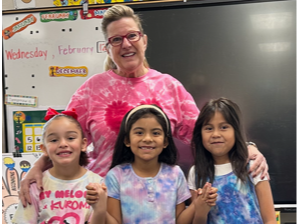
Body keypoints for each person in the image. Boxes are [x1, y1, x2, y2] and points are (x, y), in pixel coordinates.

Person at [19, 4, 268, 206]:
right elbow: (65, 138)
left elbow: (205, 133)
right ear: (107, 48)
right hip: (101, 204)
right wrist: (39, 167)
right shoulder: (92, 89)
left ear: (144, 40)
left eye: (132, 36)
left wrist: (247, 147)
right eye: (116, 40)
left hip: (158, 203)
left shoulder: (169, 87)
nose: (125, 44)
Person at [105, 104, 217, 223]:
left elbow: (180, 221)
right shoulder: (116, 176)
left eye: (156, 133)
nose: (147, 139)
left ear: (165, 141)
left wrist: (198, 203)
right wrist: (99, 208)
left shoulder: (175, 174)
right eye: (139, 132)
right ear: (127, 140)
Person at [12, 108, 109, 224]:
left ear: (84, 144)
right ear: (44, 149)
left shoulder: (97, 184)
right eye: (54, 140)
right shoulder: (36, 186)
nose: (63, 144)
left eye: (71, 138)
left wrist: (100, 208)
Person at [188, 98, 276, 223]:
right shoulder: (196, 173)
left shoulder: (252, 166)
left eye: (224, 127)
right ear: (200, 133)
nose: (216, 134)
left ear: (236, 131)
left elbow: (270, 219)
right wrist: (201, 209)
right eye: (208, 128)